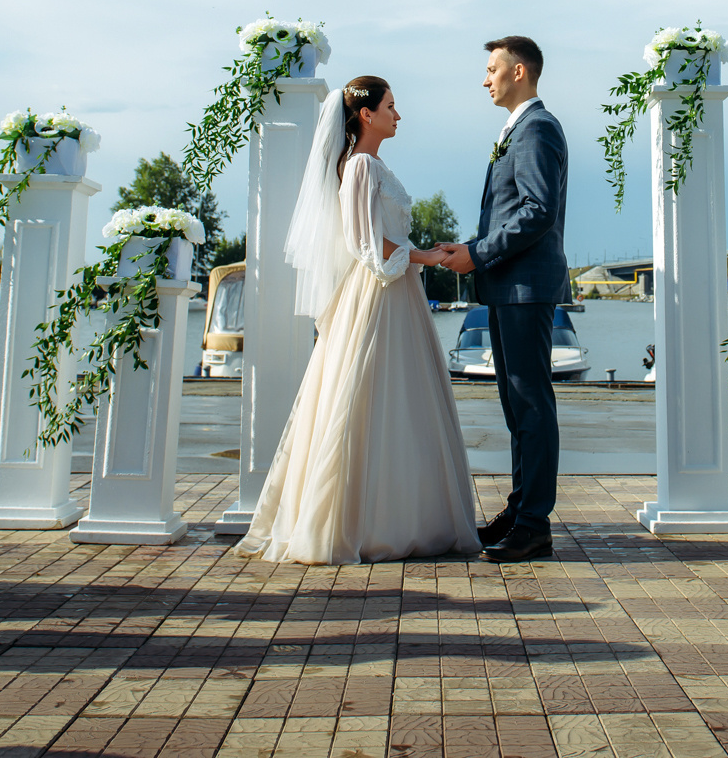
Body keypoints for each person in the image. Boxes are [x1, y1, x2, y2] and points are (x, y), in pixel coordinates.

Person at [236, 76, 476, 564]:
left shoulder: (373, 164)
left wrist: (420, 256)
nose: (398, 115)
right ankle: (363, 522)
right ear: (366, 115)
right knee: (368, 395)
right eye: (391, 106)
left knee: (398, 397)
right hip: (378, 291)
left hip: (397, 289)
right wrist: (428, 257)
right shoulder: (362, 165)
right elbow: (364, 241)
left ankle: (401, 515)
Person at [436, 36, 569, 563]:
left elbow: (538, 211)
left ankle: (534, 524)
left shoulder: (537, 128)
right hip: (510, 287)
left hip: (525, 288)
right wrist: (470, 250)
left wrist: (477, 253)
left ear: (518, 71)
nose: (485, 79)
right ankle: (519, 511)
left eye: (492, 69)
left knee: (530, 403)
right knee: (517, 406)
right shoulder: (518, 129)